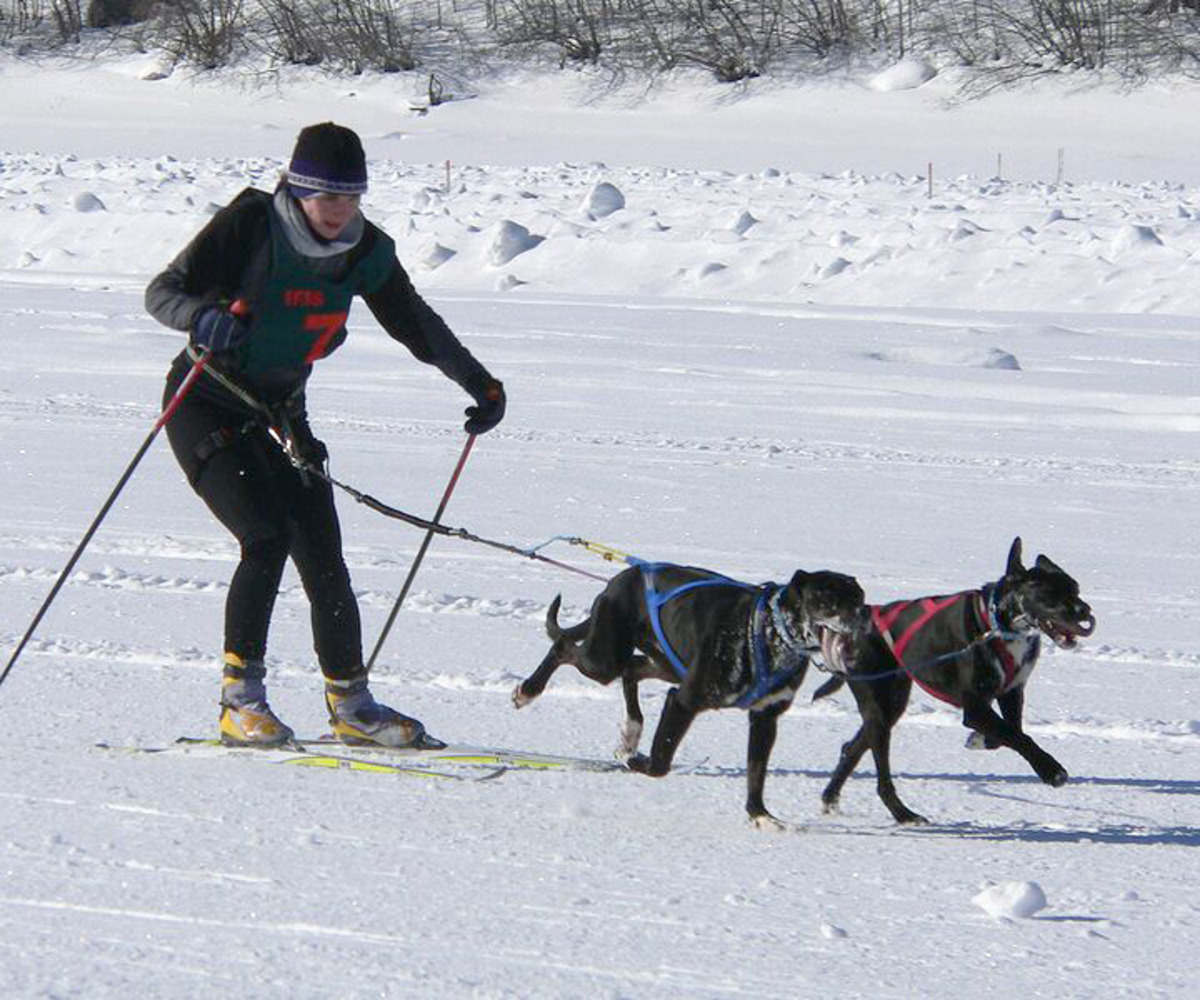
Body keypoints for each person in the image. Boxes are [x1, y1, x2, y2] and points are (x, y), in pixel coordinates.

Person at [145, 122, 505, 749]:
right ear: (297, 190)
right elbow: (162, 293)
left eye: (351, 199)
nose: (339, 212)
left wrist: (479, 383)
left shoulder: (365, 251)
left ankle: (353, 707)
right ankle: (240, 703)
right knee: (265, 537)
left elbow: (414, 323)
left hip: (281, 412)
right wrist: (203, 318)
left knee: (322, 552)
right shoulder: (251, 225)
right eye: (326, 199)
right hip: (205, 400)